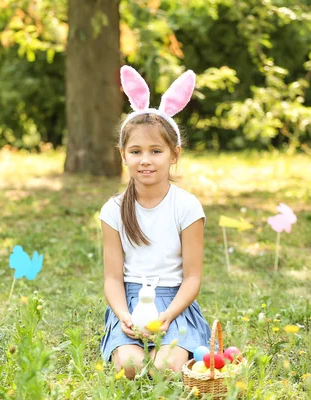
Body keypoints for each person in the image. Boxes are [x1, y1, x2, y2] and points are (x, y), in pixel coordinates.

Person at [99, 66, 211, 379]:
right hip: (131, 302)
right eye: (135, 151)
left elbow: (191, 277)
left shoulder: (186, 207)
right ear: (123, 155)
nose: (145, 160)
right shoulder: (113, 210)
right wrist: (123, 314)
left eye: (156, 151)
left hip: (174, 303)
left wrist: (168, 315)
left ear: (174, 154)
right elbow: (112, 277)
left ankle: (175, 342)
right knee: (131, 367)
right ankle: (127, 342)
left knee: (166, 368)